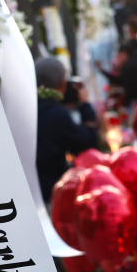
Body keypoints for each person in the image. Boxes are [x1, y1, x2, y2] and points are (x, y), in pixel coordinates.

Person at [35, 58, 98, 202]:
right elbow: (87, 142)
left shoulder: (24, 108)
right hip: (51, 193)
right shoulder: (55, 114)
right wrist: (85, 105)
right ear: (62, 84)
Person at [98, 40, 137, 105]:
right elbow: (122, 80)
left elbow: (130, 90)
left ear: (124, 54)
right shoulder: (135, 60)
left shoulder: (130, 66)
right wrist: (102, 71)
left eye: (119, 55)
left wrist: (124, 105)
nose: (118, 58)